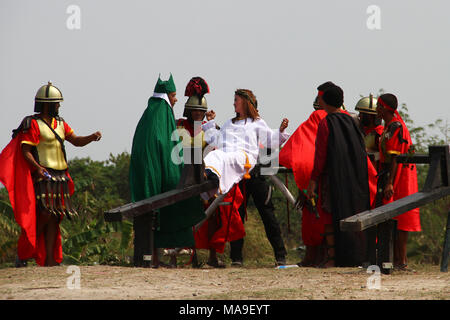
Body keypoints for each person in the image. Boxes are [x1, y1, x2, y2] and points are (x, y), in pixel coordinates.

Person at [0, 81, 101, 267]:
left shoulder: (61, 123)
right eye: (56, 103)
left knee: (55, 216)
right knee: (45, 213)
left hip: (61, 176)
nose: (58, 106)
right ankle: (25, 253)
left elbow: (76, 141)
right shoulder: (32, 123)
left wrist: (91, 137)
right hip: (43, 175)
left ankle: (50, 262)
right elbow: (26, 151)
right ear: (46, 104)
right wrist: (37, 168)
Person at [129, 74, 205, 268]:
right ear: (166, 96)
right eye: (173, 95)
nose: (176, 99)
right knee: (161, 209)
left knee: (155, 212)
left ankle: (157, 257)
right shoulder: (162, 114)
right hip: (157, 173)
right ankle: (153, 257)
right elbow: (166, 145)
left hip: (147, 174)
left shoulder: (150, 113)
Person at [176, 77, 245, 268]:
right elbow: (186, 148)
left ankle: (213, 256)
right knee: (190, 217)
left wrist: (210, 126)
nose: (198, 114)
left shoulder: (209, 127)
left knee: (215, 214)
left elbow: (219, 146)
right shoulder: (180, 126)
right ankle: (193, 256)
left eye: (201, 111)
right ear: (188, 111)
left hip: (208, 176)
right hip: (187, 178)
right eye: (195, 111)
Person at [306, 85, 371, 268]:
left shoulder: (326, 123)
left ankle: (333, 258)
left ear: (323, 101)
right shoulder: (354, 120)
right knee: (354, 212)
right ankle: (356, 256)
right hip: (355, 177)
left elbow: (320, 157)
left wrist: (313, 182)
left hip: (334, 178)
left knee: (329, 214)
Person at [279, 81, 334, 267]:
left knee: (315, 218)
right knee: (326, 217)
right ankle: (326, 257)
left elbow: (296, 148)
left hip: (314, 178)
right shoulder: (343, 118)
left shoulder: (317, 117)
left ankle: (315, 257)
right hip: (336, 178)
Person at [202, 89, 290, 196]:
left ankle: (211, 176)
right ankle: (208, 177)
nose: (233, 103)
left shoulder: (257, 122)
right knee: (214, 154)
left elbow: (270, 141)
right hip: (225, 153)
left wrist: (280, 131)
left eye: (236, 100)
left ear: (244, 102)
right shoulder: (230, 122)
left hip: (244, 156)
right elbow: (217, 140)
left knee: (225, 157)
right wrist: (211, 122)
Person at [375, 93, 421, 270]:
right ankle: (396, 259)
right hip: (393, 174)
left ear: (385, 108)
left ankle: (401, 260)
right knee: (394, 217)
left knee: (401, 217)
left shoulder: (395, 127)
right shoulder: (389, 126)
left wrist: (390, 182)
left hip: (399, 176)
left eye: (379, 107)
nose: (376, 110)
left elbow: (395, 157)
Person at [355, 94, 384, 168]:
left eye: (361, 113)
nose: (359, 116)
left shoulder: (380, 132)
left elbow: (383, 154)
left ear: (370, 116)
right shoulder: (358, 131)